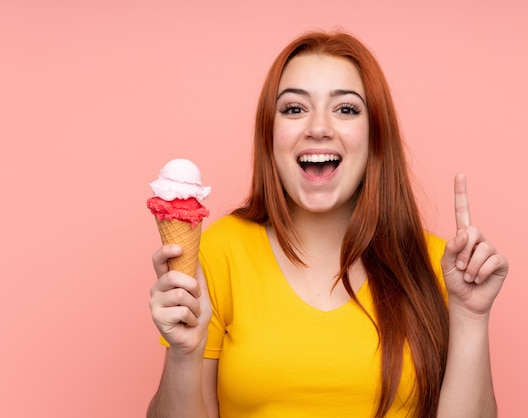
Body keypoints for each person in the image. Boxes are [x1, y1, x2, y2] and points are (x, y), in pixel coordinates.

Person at [147, 31, 508, 418]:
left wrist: (471, 317)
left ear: (376, 137)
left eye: (346, 109)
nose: (318, 127)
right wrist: (184, 355)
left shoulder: (442, 266)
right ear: (269, 136)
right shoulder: (220, 253)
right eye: (294, 109)